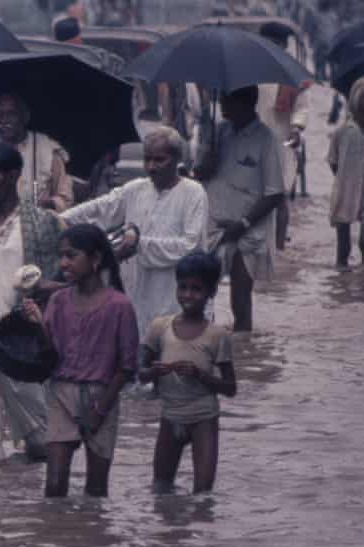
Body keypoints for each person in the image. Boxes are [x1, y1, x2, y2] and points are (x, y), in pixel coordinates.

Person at [0, 140, 65, 466]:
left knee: (38, 437)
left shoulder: (42, 223)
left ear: (11, 177)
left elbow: (57, 281)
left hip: (20, 336)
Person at [21, 224, 138, 497]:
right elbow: (49, 354)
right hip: (62, 393)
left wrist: (101, 408)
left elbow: (127, 366)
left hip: (103, 396)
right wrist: (37, 325)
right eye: (61, 256)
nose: (63, 263)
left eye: (71, 256)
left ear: (95, 259)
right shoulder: (58, 301)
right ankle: (61, 534)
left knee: (96, 489)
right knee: (54, 484)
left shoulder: (119, 306)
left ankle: (89, 536)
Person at [60, 127, 207, 336]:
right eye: (147, 159)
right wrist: (59, 219)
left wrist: (140, 243)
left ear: (177, 159)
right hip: (137, 292)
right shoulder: (135, 189)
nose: (151, 167)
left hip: (174, 294)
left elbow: (190, 247)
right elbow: (100, 209)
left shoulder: (194, 193)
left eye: (159, 160)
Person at [139, 251, 237, 494]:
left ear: (211, 293)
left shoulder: (218, 336)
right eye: (182, 287)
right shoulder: (160, 327)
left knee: (203, 494)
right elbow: (139, 371)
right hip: (170, 416)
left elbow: (230, 388)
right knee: (160, 489)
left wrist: (200, 375)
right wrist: (153, 372)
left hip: (204, 418)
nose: (187, 295)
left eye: (196, 289)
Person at [198, 85, 284, 332]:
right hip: (215, 224)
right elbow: (199, 175)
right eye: (222, 98)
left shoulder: (266, 139)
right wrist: (206, 163)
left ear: (246, 103)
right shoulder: (217, 133)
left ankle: (244, 353)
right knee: (201, 296)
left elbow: (275, 193)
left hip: (248, 231)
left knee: (240, 302)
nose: (223, 103)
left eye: (228, 99)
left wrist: (243, 224)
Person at [256, 21, 310, 250]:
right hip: (252, 139)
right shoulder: (250, 68)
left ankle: (279, 247)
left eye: (281, 44)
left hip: (281, 141)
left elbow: (302, 106)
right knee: (252, 197)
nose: (278, 48)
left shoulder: (292, 73)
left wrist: (297, 127)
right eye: (273, 43)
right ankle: (258, 244)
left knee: (280, 198)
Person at [0, 93, 74, 212]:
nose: (4, 120)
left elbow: (66, 198)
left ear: (25, 117)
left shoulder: (48, 150)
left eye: (11, 114)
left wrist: (48, 204)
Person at [327, 77, 364, 271]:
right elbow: (333, 159)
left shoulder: (343, 130)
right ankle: (343, 265)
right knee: (343, 226)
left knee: (344, 225)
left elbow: (332, 160)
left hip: (346, 184)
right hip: (347, 183)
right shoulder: (346, 131)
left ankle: (343, 266)